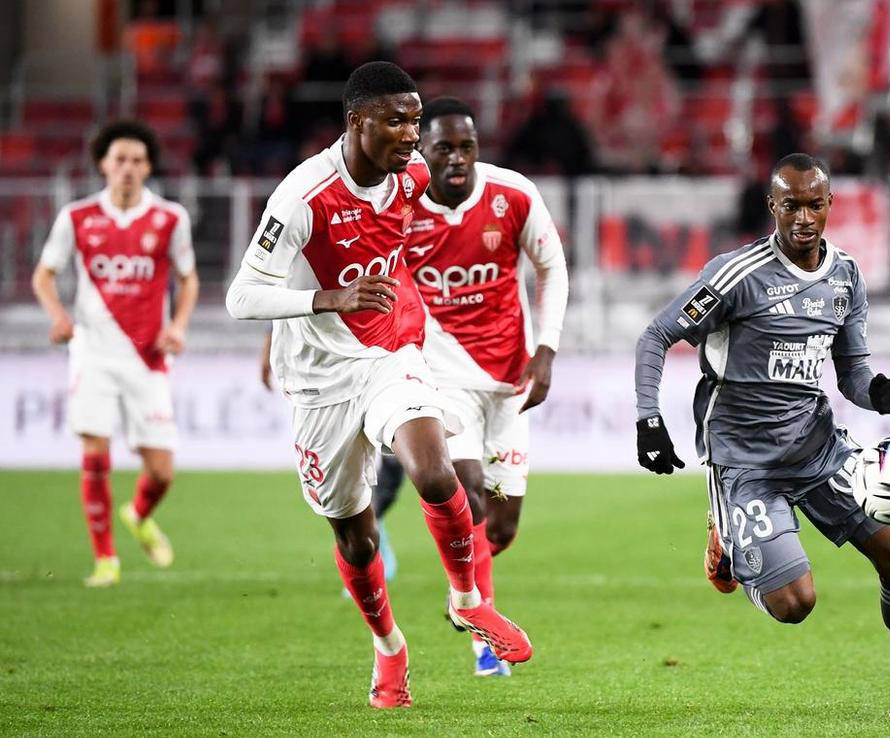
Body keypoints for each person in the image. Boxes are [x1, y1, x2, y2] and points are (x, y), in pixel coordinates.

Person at [225, 62, 532, 709]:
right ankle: (389, 646)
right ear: (356, 122)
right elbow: (242, 295)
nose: (411, 135)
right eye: (396, 121)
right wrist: (329, 298)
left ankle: (468, 600)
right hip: (318, 381)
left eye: (415, 121)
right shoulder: (303, 196)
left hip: (392, 353)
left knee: (434, 471)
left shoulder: (412, 175)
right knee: (355, 536)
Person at [633, 153, 890, 722]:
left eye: (815, 205)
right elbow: (656, 335)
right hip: (745, 461)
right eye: (791, 206)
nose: (804, 218)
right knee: (795, 604)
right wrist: (648, 419)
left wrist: (878, 392)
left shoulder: (845, 276)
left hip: (817, 448)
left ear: (831, 204)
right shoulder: (736, 275)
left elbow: (852, 374)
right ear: (773, 206)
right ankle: (732, 546)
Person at [372, 96, 569, 677]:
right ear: (422, 150)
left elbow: (552, 268)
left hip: (511, 380)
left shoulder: (513, 195)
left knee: (500, 527)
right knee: (470, 493)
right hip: (440, 377)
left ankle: (466, 588)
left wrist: (546, 349)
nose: (458, 158)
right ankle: (482, 633)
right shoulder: (401, 202)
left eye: (467, 147)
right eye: (444, 148)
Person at [31, 120, 199, 588]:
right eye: (120, 159)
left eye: (137, 160)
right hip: (93, 351)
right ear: (103, 164)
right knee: (95, 450)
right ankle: (105, 559)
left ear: (148, 167)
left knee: (161, 471)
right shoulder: (77, 217)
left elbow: (188, 279)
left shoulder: (170, 218)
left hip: (147, 355)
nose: (128, 168)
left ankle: (139, 514)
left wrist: (178, 326)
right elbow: (44, 275)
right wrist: (58, 317)